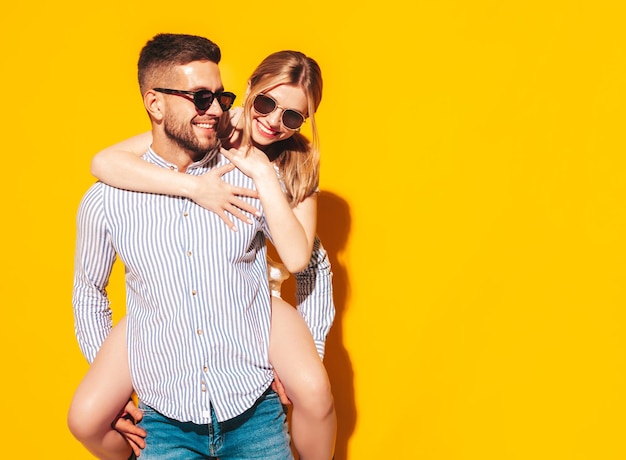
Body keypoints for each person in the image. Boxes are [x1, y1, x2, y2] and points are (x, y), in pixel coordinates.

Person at [69, 33, 336, 460]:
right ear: (248, 92)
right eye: (266, 105)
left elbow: (307, 263)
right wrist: (194, 188)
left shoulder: (295, 167)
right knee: (85, 416)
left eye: (292, 117)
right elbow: (104, 163)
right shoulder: (208, 127)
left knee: (314, 391)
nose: (273, 122)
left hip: (256, 293)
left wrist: (265, 175)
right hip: (168, 299)